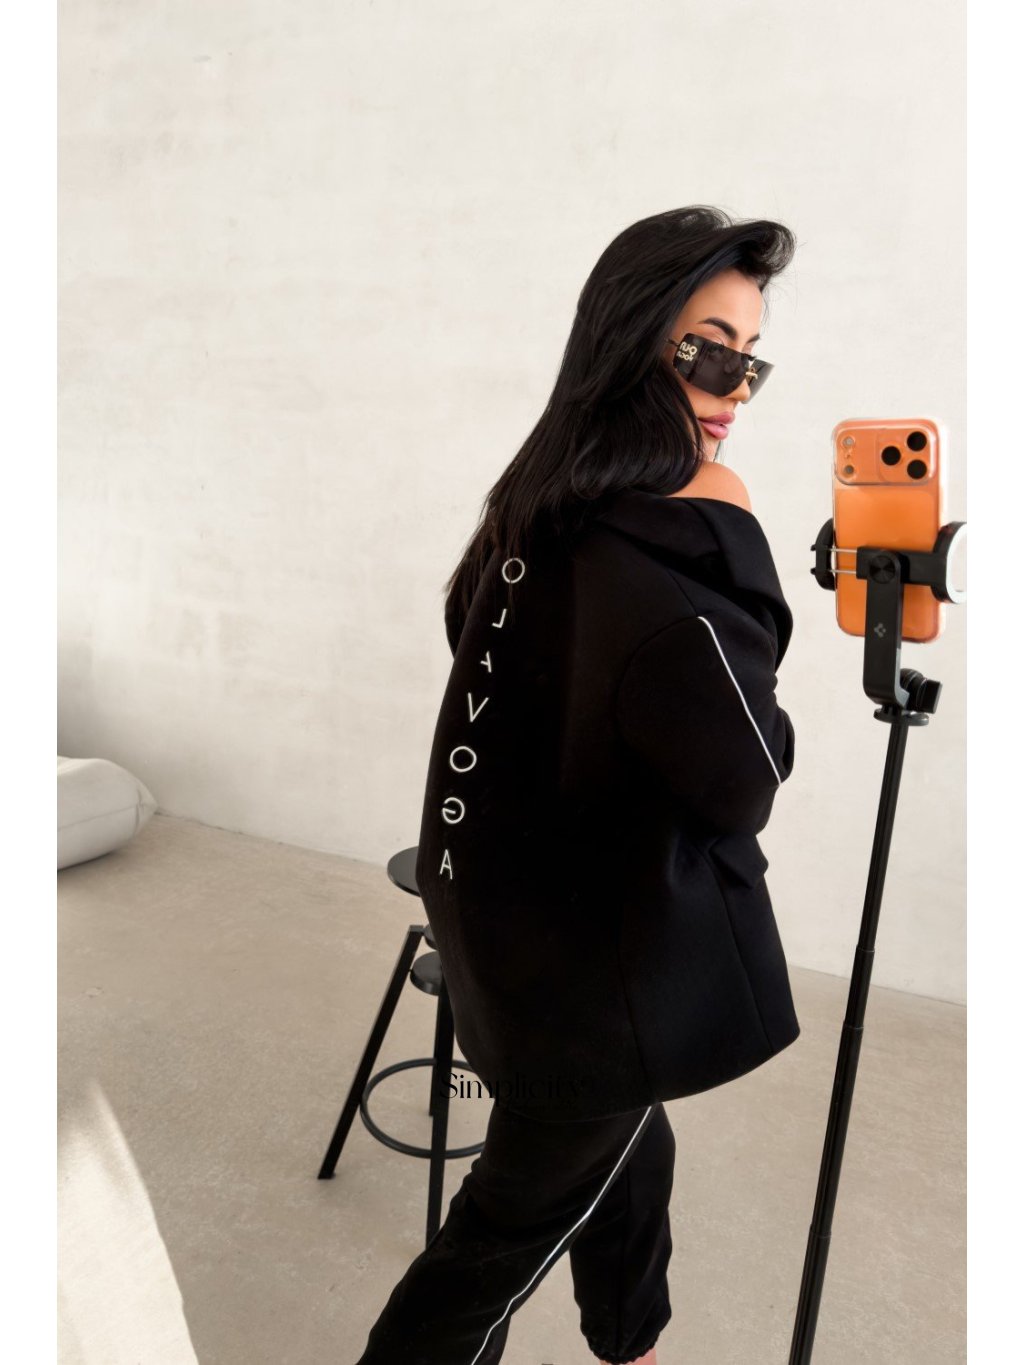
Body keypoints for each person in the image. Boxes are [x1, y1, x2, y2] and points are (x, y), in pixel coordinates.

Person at [355, 206, 801, 1365]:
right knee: (491, 1252)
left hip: (505, 923)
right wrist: (734, 530)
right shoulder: (675, 547)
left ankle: (627, 1340)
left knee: (624, 1136)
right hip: (598, 967)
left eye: (750, 361)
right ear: (631, 339)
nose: (734, 391)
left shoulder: (537, 501)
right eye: (709, 351)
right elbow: (745, 778)